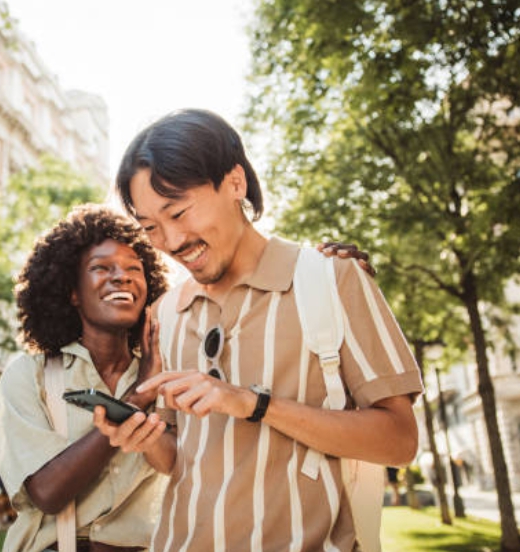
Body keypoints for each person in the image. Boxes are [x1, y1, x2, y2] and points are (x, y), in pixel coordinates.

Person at [97, 109, 424, 551]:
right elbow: (180, 460)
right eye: (151, 227)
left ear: (235, 183)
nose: (171, 242)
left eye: (178, 213)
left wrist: (253, 403)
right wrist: (145, 438)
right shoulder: (166, 314)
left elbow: (400, 442)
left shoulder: (333, 279)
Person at [0, 205, 173, 552]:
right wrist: (136, 399)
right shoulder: (30, 377)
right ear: (71, 292)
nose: (122, 277)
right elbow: (47, 493)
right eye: (101, 268)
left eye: (134, 269)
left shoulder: (168, 376)